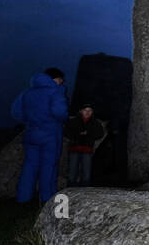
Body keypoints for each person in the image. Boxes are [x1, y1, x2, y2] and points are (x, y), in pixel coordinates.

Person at [12, 67, 69, 204]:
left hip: (31, 134)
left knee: (29, 166)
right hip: (50, 134)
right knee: (49, 166)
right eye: (61, 80)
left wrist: (32, 120)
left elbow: (16, 113)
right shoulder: (55, 92)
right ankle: (47, 200)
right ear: (55, 79)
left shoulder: (27, 92)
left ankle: (23, 198)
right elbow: (60, 113)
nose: (62, 83)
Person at [64, 104, 106, 187]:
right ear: (80, 111)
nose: (87, 112)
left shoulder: (95, 123)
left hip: (87, 150)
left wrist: (89, 134)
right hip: (74, 149)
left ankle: (84, 192)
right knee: (72, 173)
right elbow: (66, 132)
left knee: (86, 174)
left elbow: (100, 133)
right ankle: (70, 191)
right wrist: (77, 135)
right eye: (85, 110)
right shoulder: (73, 121)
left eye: (89, 111)